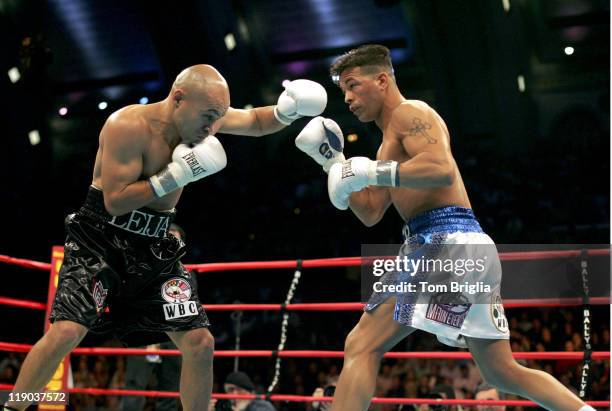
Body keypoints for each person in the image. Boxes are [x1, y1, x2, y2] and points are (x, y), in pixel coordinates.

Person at [4, 64, 326, 411]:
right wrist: (175, 176)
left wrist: (286, 110)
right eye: (208, 115)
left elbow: (257, 123)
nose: (212, 126)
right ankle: (14, 407)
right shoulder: (127, 125)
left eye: (218, 116)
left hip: (155, 246)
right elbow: (114, 201)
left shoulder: (207, 118)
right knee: (66, 332)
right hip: (100, 240)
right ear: (178, 98)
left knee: (200, 342)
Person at [294, 44, 594, 411]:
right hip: (463, 246)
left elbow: (441, 169)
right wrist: (333, 162)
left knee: (362, 345)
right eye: (344, 90)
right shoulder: (387, 143)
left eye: (353, 85)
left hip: (442, 242)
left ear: (382, 79)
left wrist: (371, 171)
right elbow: (371, 211)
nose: (348, 98)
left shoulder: (410, 113)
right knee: (501, 371)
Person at [121, 223, 187, 411]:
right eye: (168, 237)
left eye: (175, 238)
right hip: (143, 332)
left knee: (169, 390)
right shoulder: (140, 266)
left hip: (172, 337)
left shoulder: (186, 274)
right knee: (134, 388)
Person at [208, 371, 276, 411]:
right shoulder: (228, 405)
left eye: (239, 389)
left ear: (249, 391)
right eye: (230, 390)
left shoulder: (262, 406)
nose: (235, 394)